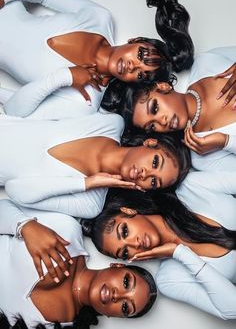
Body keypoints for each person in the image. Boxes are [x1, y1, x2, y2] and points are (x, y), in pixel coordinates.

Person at [0, 0, 194, 119]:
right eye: (141, 54)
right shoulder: (100, 19)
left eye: (141, 75)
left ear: (134, 83)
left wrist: (65, 76)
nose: (132, 67)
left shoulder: (85, 102)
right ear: (135, 40)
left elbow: (14, 110)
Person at [0, 73, 190, 217]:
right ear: (149, 143)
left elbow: (16, 191)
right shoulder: (109, 124)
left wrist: (86, 183)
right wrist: (65, 74)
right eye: (155, 163)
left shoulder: (90, 203)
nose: (146, 174)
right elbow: (17, 111)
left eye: (154, 182)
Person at [81, 187, 236, 319]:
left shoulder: (192, 188)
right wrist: (178, 252)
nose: (135, 243)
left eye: (125, 231)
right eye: (126, 252)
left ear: (128, 211)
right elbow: (232, 310)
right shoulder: (170, 280)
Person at [0, 200, 157, 329]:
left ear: (114, 316)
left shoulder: (57, 327)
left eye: (125, 307)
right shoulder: (67, 231)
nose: (117, 296)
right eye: (126, 282)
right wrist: (25, 226)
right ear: (117, 266)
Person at [102, 47, 236, 172]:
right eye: (152, 126)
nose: (162, 122)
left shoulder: (206, 63)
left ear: (163, 86)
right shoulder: (202, 156)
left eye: (155, 108)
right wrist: (226, 142)